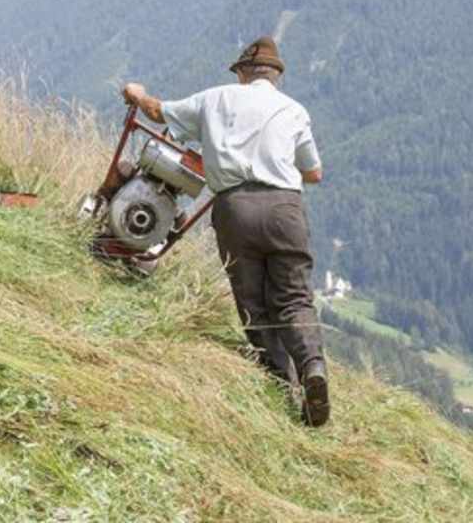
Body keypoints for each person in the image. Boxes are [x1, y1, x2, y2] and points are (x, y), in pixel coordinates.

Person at [120, 36, 330, 427]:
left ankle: (280, 383)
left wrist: (137, 94)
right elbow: (314, 173)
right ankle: (313, 367)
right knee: (295, 297)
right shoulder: (295, 111)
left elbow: (158, 112)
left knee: (253, 300)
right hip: (286, 209)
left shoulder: (216, 98)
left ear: (244, 72)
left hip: (236, 208)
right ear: (276, 76)